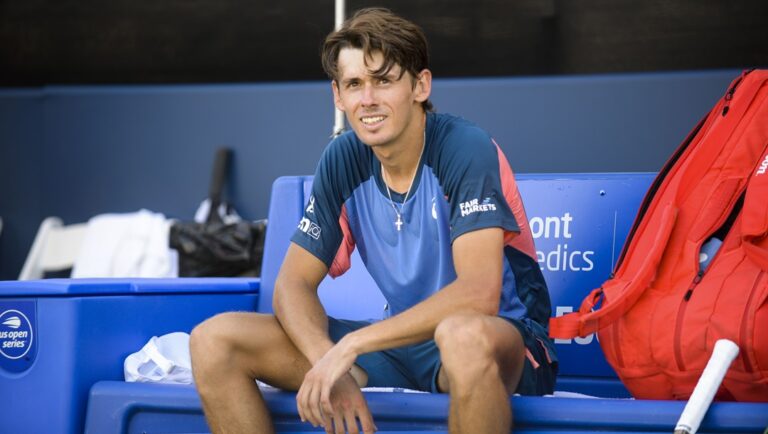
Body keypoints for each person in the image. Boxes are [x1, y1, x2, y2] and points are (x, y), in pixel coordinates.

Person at [190, 7, 557, 434]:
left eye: (383, 80)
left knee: (461, 337)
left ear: (420, 85)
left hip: (505, 343)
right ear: (337, 96)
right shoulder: (343, 157)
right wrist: (327, 360)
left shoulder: (464, 146)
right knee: (214, 340)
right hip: (402, 347)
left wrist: (353, 345)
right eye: (354, 85)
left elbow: (479, 294)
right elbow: (292, 285)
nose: (367, 99)